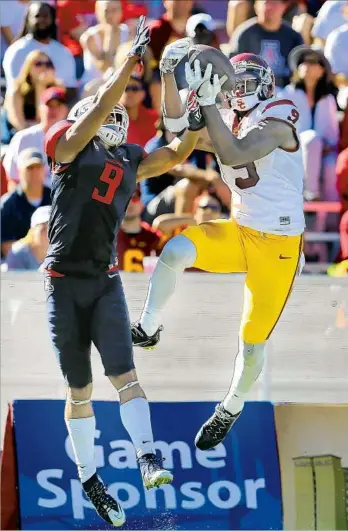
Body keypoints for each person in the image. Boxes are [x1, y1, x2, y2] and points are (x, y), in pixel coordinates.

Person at [42, 17, 201, 527]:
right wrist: (126, 65)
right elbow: (88, 123)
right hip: (64, 283)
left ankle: (148, 456)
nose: (115, 113)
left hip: (105, 279)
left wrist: (200, 109)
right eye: (106, 106)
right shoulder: (66, 146)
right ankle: (91, 479)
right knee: (80, 390)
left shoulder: (130, 156)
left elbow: (176, 153)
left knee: (125, 375)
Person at [132, 40, 305, 451]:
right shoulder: (225, 113)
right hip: (241, 230)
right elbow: (175, 131)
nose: (237, 89)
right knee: (175, 251)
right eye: (234, 82)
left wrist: (209, 105)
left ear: (265, 85)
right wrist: (169, 76)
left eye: (246, 81)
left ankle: (232, 404)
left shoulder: (278, 116)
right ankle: (149, 326)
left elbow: (236, 150)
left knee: (251, 342)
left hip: (278, 246)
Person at [280, 45, 339, 202]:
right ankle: (311, 193)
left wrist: (325, 146)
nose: (307, 65)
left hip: (324, 152)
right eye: (303, 62)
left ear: (321, 70)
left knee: (331, 166)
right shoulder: (287, 94)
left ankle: (330, 220)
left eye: (313, 62)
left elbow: (333, 135)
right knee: (310, 139)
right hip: (292, 152)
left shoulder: (328, 99)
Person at [2, 2, 77, 101]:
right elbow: (15, 90)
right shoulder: (17, 50)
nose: (42, 20)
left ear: (53, 19)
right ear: (28, 19)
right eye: (37, 16)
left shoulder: (63, 52)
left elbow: (70, 88)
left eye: (46, 16)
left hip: (56, 109)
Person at [3, 86, 69, 190]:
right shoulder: (23, 138)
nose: (54, 110)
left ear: (66, 110)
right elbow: (12, 178)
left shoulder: (71, 140)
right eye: (50, 105)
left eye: (58, 105)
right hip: (29, 199)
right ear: (40, 109)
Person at [228, 0, 304, 89]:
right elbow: (233, 66)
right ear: (256, 7)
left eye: (274, 3)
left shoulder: (294, 37)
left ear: (284, 7)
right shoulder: (244, 33)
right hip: (251, 89)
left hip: (284, 90)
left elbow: (298, 71)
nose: (269, 7)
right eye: (266, 3)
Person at [2, 50, 62, 144]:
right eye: (38, 63)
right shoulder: (16, 90)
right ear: (28, 67)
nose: (44, 67)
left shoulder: (57, 88)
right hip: (17, 137)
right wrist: (39, 85)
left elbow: (44, 120)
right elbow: (18, 123)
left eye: (48, 64)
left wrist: (42, 87)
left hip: (45, 136)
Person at [1, 148, 51, 257]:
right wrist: (33, 243)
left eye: (38, 167)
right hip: (17, 266)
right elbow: (6, 246)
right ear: (19, 171)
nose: (34, 172)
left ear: (44, 170)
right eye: (29, 168)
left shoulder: (55, 199)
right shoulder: (7, 205)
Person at [80, 0, 129, 91]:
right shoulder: (89, 37)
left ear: (121, 12)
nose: (110, 15)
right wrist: (110, 34)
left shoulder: (128, 32)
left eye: (114, 10)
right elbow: (105, 67)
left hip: (121, 84)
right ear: (97, 12)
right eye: (106, 11)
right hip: (94, 86)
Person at [117, 191, 166, 272]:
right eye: (124, 199)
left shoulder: (155, 237)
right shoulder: (108, 237)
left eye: (134, 198)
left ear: (142, 203)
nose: (129, 203)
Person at [6, 205, 51, 271]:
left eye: (53, 229)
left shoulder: (66, 253)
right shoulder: (18, 253)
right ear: (32, 231)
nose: (49, 234)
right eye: (44, 229)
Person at [120, 74, 158, 147]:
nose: (130, 93)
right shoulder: (110, 120)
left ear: (143, 93)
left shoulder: (155, 119)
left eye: (134, 88)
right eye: (125, 88)